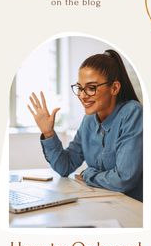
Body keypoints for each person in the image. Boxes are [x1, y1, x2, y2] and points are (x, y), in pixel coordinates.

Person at [28, 49, 143, 202]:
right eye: (80, 88)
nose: (82, 95)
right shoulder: (89, 120)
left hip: (133, 208)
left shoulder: (132, 113)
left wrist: (89, 174)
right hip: (103, 203)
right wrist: (48, 133)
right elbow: (65, 167)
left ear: (114, 88)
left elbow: (124, 179)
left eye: (91, 88)